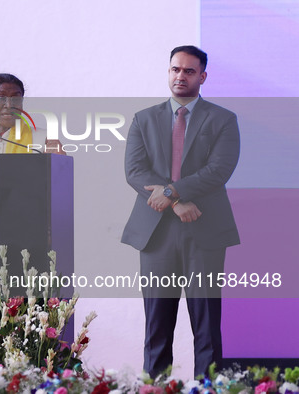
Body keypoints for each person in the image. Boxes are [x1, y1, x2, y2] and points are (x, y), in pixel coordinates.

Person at [121, 46, 240, 377]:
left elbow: (219, 170)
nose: (180, 76)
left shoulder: (223, 119)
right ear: (168, 72)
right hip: (156, 233)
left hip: (204, 228)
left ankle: (208, 385)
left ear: (202, 76)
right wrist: (176, 202)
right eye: (175, 69)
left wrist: (172, 191)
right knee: (157, 323)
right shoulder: (144, 119)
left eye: (189, 71)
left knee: (206, 325)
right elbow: (135, 171)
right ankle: (156, 386)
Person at [0, 73, 64, 154]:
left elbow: (60, 177)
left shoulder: (44, 139)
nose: (9, 105)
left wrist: (59, 164)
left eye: (16, 98)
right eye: (1, 97)